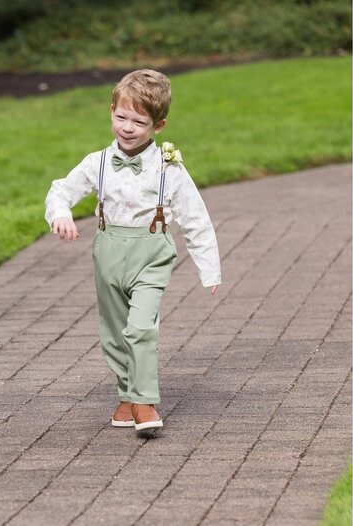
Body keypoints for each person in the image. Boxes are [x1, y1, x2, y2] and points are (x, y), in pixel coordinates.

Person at [44, 69, 221, 433]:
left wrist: (209, 269)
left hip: (151, 253)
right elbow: (61, 190)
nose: (127, 127)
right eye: (121, 117)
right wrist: (60, 214)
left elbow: (194, 218)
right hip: (108, 252)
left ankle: (144, 403)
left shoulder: (168, 168)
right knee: (114, 333)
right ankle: (125, 397)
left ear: (158, 126)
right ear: (111, 111)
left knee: (141, 327)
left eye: (138, 122)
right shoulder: (98, 162)